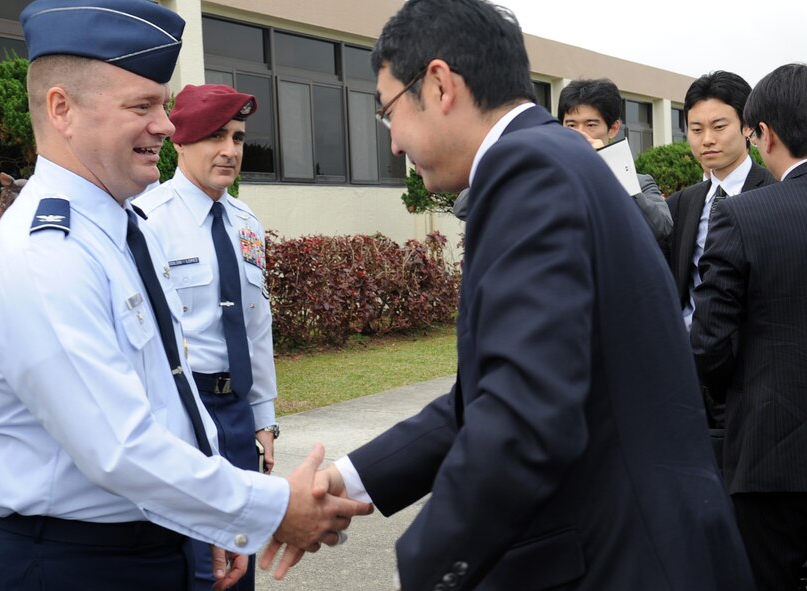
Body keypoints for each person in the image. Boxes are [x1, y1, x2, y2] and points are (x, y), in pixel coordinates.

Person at [261, 1, 754, 589]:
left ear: (440, 84)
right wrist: (346, 478)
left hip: (623, 560)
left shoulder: (526, 172)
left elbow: (523, 416)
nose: (393, 144)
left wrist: (426, 567)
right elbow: (489, 395)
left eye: (388, 111)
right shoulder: (558, 156)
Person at [0, 1, 370, 590]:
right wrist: (271, 508)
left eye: (163, 104)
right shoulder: (45, 254)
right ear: (62, 109)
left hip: (147, 544)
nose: (167, 126)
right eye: (142, 105)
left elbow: (169, 388)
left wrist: (206, 524)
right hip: (68, 566)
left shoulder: (128, 232)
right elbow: (120, 447)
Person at [134, 84, 277, 591]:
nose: (230, 150)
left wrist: (264, 419)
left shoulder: (245, 223)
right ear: (181, 142)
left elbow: (256, 326)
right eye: (215, 136)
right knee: (196, 568)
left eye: (237, 138)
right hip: (181, 417)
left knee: (239, 565)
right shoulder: (146, 222)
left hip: (237, 417)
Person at [691, 62, 807, 591]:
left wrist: (737, 395)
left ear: (764, 134)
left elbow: (710, 345)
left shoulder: (745, 216)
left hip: (770, 453)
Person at [663, 71, 775, 433]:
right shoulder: (683, 202)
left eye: (718, 126)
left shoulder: (772, 191)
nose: (707, 140)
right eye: (696, 129)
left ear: (746, 127)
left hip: (751, 372)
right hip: (684, 370)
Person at [558, 78, 672, 242]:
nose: (580, 134)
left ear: (613, 129)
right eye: (571, 125)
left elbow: (662, 227)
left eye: (591, 125)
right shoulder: (548, 178)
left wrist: (610, 164)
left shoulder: (639, 183)